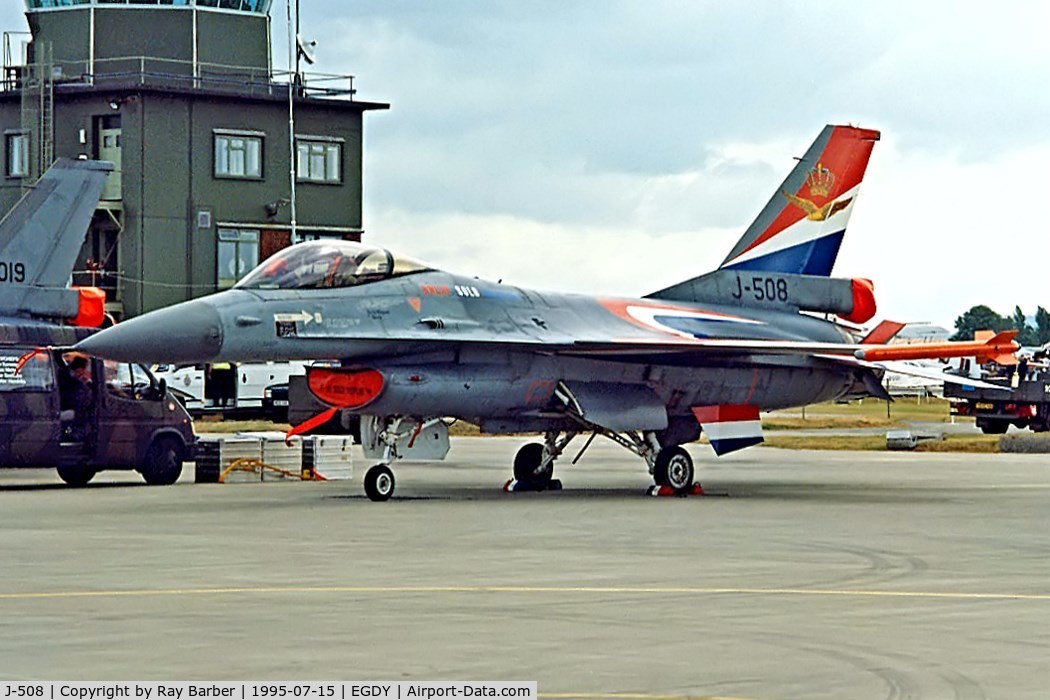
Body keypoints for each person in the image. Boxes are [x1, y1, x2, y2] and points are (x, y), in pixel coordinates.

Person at [65, 355, 96, 443]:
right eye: (82, 370)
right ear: (79, 369)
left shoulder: (75, 380)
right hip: (72, 409)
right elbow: (81, 401)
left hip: (73, 408)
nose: (83, 373)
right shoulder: (73, 382)